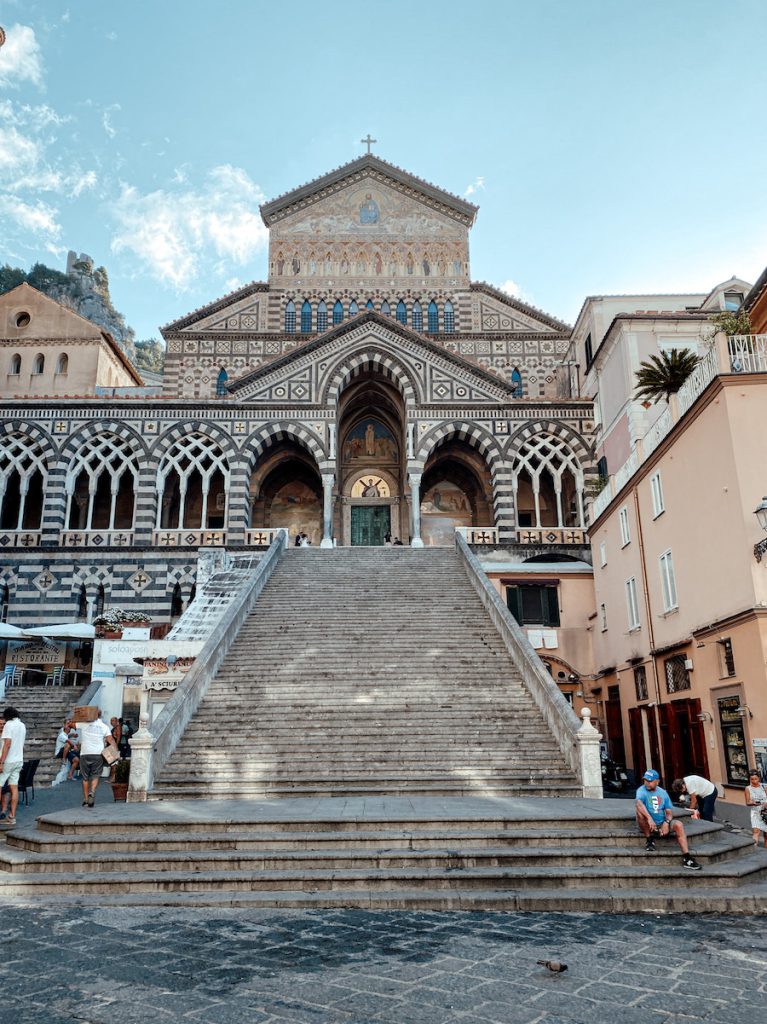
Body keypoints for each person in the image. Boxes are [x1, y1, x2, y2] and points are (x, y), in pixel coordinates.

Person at [635, 769, 701, 870]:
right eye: (645, 780)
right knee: (639, 812)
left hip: (661, 822)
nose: (647, 783)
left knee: (678, 824)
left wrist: (666, 822)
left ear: (657, 781)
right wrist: (649, 818)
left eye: (650, 781)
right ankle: (649, 840)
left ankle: (687, 857)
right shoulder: (641, 790)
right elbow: (639, 803)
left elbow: (669, 812)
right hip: (647, 824)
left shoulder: (663, 793)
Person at [75, 709, 115, 808]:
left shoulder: (84, 724)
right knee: (96, 775)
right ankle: (92, 792)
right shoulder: (104, 726)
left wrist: (79, 714)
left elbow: (71, 724)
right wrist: (115, 752)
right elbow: (111, 740)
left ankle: (85, 799)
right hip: (97, 754)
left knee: (85, 778)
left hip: (85, 753)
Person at [0, 707, 26, 827]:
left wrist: (1, 762)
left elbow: (7, 744)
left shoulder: (8, 725)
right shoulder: (22, 725)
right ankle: (12, 816)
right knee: (14, 787)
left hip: (9, 760)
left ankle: (4, 811)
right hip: (18, 760)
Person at [745, 768, 767, 848]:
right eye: (752, 779)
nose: (754, 781)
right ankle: (755, 850)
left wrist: (766, 803)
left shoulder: (764, 787)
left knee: (766, 834)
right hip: (755, 812)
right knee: (756, 831)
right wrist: (752, 803)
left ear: (759, 778)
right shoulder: (748, 788)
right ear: (749, 779)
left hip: (765, 812)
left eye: (756, 779)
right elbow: (747, 802)